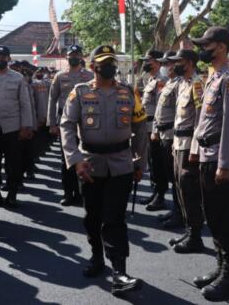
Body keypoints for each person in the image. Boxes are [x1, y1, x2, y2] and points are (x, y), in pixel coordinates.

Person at [59, 45, 147, 296]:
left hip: (121, 164)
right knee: (93, 217)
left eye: (112, 62)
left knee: (114, 218)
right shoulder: (80, 92)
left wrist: (140, 163)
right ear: (93, 67)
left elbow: (141, 128)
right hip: (90, 164)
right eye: (103, 63)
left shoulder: (128, 93)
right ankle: (97, 257)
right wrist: (75, 159)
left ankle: (119, 271)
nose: (109, 66)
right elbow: (66, 125)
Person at [188, 27, 229, 301]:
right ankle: (220, 268)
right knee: (213, 217)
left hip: (219, 160)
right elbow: (203, 121)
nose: (202, 49)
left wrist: (224, 163)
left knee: (223, 218)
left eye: (206, 44)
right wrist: (196, 149)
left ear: (221, 47)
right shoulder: (213, 78)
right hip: (207, 156)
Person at [0, 46, 33, 208]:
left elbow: (25, 103)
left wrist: (26, 126)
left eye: (4, 56)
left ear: (8, 59)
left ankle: (12, 194)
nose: (0, 59)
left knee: (13, 165)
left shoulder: (18, 78)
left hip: (12, 128)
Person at [166, 49, 206, 253]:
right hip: (178, 141)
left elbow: (200, 118)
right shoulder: (182, 83)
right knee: (180, 187)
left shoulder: (197, 83)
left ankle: (196, 235)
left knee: (189, 189)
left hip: (189, 142)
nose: (174, 65)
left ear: (189, 62)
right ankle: (189, 229)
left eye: (178, 61)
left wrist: (195, 148)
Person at [47, 44, 94, 206]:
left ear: (81, 57)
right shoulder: (60, 76)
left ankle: (83, 192)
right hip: (65, 124)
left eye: (76, 54)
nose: (73, 57)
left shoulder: (90, 75)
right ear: (66, 57)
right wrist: (51, 123)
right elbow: (52, 99)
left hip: (86, 124)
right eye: (70, 54)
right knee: (66, 159)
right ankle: (68, 193)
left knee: (85, 157)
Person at [151, 51, 183, 227]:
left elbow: (182, 114)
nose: (166, 67)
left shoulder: (180, 84)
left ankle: (180, 212)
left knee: (175, 177)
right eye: (164, 64)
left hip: (172, 135)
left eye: (168, 63)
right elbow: (159, 111)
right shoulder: (169, 83)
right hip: (163, 134)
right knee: (169, 174)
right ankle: (175, 210)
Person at [140, 49, 168, 211]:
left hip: (154, 128)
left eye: (148, 60)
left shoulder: (161, 81)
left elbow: (160, 108)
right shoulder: (151, 79)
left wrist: (156, 130)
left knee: (158, 163)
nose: (145, 63)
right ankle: (155, 191)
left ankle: (161, 195)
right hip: (146, 126)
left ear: (157, 62)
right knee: (151, 161)